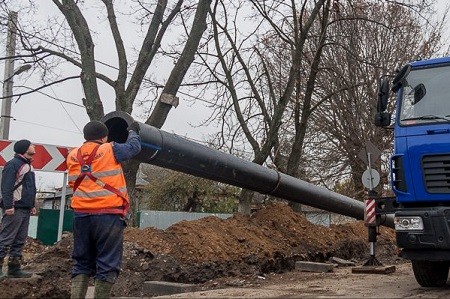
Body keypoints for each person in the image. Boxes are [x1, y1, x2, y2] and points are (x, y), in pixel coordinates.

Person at [66, 120, 141, 299]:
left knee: (82, 262)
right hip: (108, 214)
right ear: (104, 137)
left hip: (81, 215)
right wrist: (133, 131)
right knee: (107, 263)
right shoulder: (109, 149)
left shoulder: (73, 155)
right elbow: (133, 148)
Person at [0, 139, 37, 280]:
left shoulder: (28, 165)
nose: (34, 147)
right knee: (6, 239)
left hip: (25, 208)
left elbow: (30, 188)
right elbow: (6, 187)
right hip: (15, 208)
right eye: (31, 145)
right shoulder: (13, 164)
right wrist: (9, 206)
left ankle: (14, 269)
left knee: (20, 240)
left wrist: (32, 205)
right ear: (25, 148)